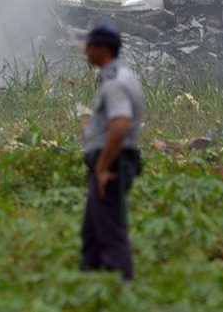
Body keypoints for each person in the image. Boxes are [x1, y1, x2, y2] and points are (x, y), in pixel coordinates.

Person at [80, 23, 144, 281]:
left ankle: (120, 289)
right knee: (92, 230)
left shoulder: (115, 83)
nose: (85, 50)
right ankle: (89, 282)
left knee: (110, 230)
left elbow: (120, 126)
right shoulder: (118, 77)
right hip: (111, 160)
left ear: (102, 49)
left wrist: (104, 167)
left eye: (90, 45)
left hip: (114, 164)